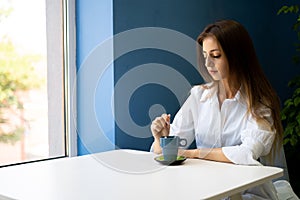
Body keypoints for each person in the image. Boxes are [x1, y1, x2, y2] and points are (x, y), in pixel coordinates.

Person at [150, 19, 298, 199]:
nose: (208, 64)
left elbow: (246, 153)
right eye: (205, 56)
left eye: (216, 55)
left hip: (248, 194)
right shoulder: (198, 96)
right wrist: (161, 138)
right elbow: (166, 153)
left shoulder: (259, 104)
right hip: (207, 190)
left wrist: (193, 153)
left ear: (237, 56)